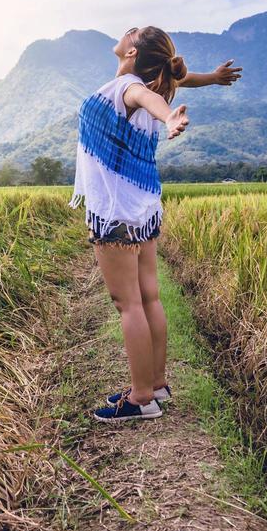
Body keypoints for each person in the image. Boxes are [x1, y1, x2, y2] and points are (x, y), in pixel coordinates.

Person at [69, 26, 242, 423]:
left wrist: (169, 118)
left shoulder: (129, 89)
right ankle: (157, 383)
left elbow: (147, 96)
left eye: (130, 31)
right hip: (143, 207)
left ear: (130, 50)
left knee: (127, 304)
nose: (124, 31)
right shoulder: (153, 87)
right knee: (149, 298)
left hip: (115, 211)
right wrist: (212, 80)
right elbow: (175, 80)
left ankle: (141, 397)